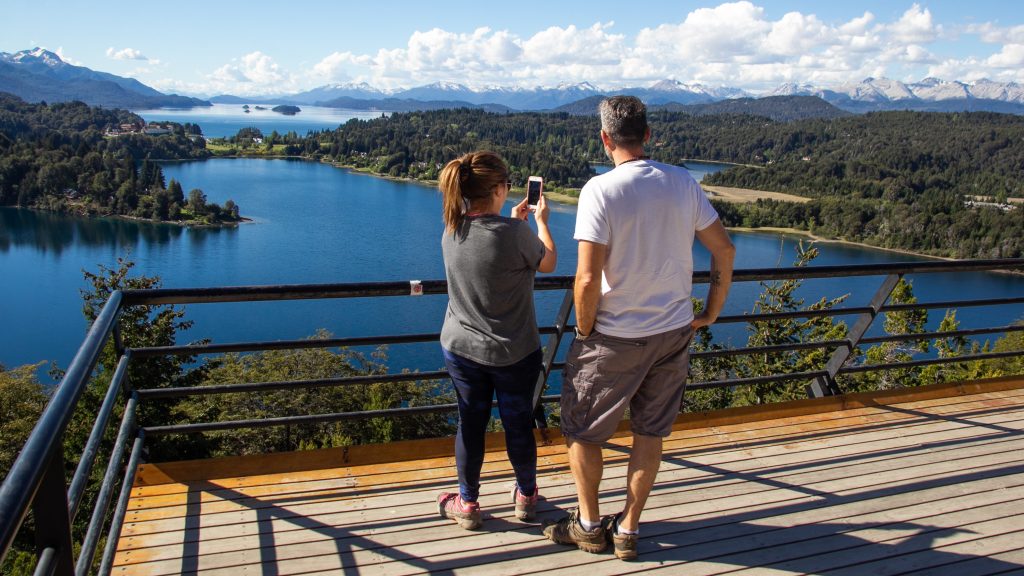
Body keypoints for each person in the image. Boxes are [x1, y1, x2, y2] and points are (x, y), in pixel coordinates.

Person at [544, 96, 735, 559]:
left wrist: (586, 330)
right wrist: (708, 312)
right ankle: (628, 529)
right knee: (650, 432)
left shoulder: (600, 190)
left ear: (605, 138)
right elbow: (724, 250)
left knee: (584, 431)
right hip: (673, 333)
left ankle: (589, 525)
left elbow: (587, 277)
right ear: (648, 136)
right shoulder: (682, 181)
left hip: (614, 335)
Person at [436, 151, 557, 530]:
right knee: (517, 423)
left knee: (470, 423)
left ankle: (467, 503)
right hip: (514, 351)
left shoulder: (452, 228)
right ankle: (526, 496)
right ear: (500, 188)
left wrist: (513, 223)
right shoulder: (516, 234)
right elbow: (548, 261)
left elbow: (489, 246)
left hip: (461, 349)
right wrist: (540, 222)